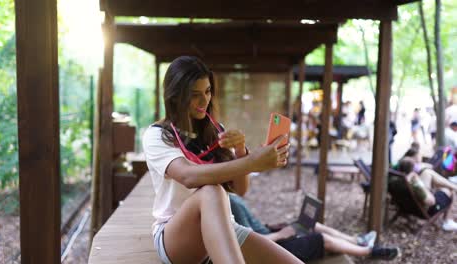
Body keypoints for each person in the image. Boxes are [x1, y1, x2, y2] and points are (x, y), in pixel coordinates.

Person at [142, 56, 302, 264]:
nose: (204, 101)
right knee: (211, 190)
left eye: (208, 92)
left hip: (223, 227)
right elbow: (188, 177)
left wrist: (240, 151)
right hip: (177, 237)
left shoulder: (216, 132)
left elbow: (240, 189)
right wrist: (253, 162)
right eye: (195, 95)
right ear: (175, 96)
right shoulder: (157, 135)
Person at [229, 193, 401, 261]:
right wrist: (281, 234)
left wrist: (277, 229)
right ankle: (370, 252)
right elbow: (244, 240)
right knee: (321, 240)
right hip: (269, 247)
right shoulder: (228, 200)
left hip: (270, 235)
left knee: (312, 224)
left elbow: (248, 229)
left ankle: (357, 240)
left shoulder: (229, 197)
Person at [395, 157, 457, 231]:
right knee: (449, 190)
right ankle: (448, 221)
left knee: (427, 172)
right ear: (414, 169)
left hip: (409, 205)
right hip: (426, 209)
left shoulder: (397, 180)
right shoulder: (415, 183)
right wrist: (421, 184)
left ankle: (453, 186)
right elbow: (431, 201)